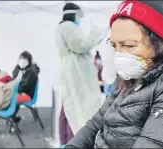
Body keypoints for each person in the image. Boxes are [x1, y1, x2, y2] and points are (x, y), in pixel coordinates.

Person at [66, 0, 163, 148]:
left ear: (158, 44)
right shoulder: (126, 79)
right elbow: (94, 124)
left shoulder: (159, 89)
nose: (119, 56)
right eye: (114, 46)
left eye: (129, 45)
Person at [56, 2, 105, 146]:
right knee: (77, 108)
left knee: (68, 106)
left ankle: (65, 141)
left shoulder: (61, 28)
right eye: (78, 15)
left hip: (71, 71)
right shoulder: (68, 27)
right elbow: (81, 46)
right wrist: (95, 35)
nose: (79, 19)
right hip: (76, 73)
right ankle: (73, 141)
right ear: (73, 14)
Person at [12, 51, 40, 122]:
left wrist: (12, 89)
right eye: (20, 58)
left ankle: (13, 118)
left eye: (24, 59)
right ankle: (14, 117)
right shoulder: (18, 70)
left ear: (29, 60)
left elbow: (25, 87)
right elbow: (13, 81)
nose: (22, 60)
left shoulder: (31, 72)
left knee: (9, 98)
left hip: (27, 94)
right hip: (19, 92)